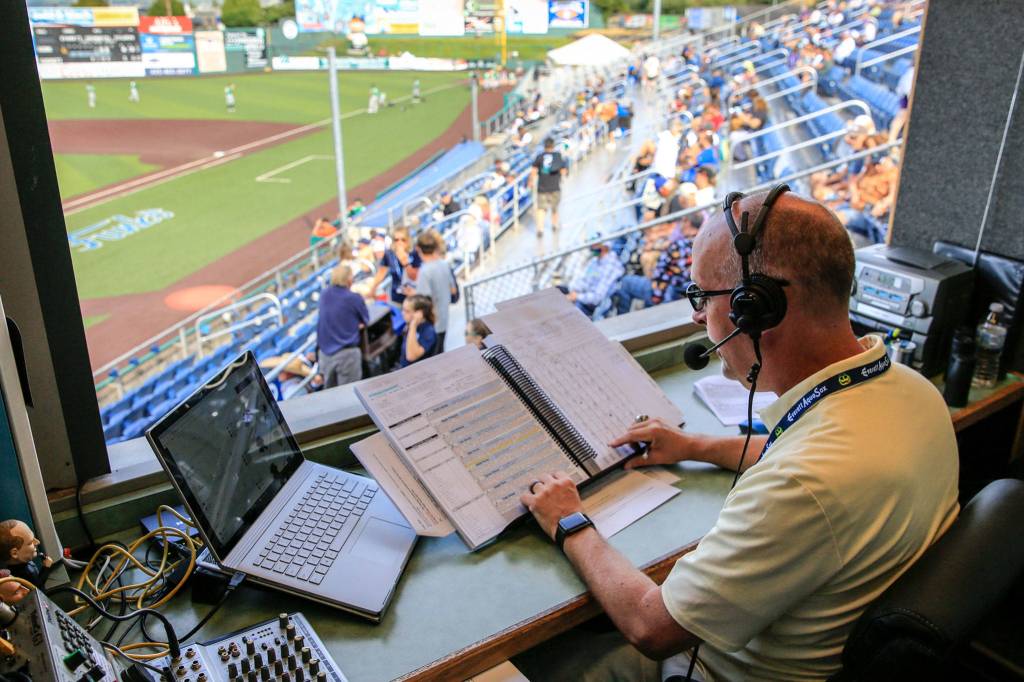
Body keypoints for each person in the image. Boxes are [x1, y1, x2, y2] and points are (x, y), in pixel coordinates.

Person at [512, 189, 959, 682]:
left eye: (704, 296)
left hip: (713, 671)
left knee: (526, 661)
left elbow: (652, 626)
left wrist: (570, 521)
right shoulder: (911, 391)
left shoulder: (801, 486)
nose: (698, 318)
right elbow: (801, 453)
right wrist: (695, 446)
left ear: (759, 309)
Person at [316, 264, 368, 388]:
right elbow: (365, 320)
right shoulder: (354, 298)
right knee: (349, 397)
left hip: (325, 354)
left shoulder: (324, 294)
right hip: (347, 354)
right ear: (349, 280)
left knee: (330, 397)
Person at [411, 231, 450, 354]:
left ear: (418, 249)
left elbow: (424, 301)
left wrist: (412, 294)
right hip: (444, 319)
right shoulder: (444, 264)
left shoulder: (425, 271)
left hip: (433, 325)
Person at [565, 238, 624, 318]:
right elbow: (583, 280)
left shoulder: (611, 265)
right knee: (558, 290)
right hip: (582, 296)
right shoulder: (594, 261)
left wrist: (577, 296)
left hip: (589, 305)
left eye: (595, 244)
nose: (591, 247)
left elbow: (597, 298)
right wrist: (573, 292)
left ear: (604, 247)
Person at [369, 226, 420, 304]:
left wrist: (405, 261)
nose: (400, 242)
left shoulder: (414, 253)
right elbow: (381, 272)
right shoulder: (389, 253)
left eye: (403, 240)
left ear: (408, 240)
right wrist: (373, 289)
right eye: (396, 240)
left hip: (413, 296)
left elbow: (414, 277)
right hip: (396, 295)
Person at [530, 138, 568, 237]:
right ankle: (554, 225)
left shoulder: (539, 157)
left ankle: (540, 229)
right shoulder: (558, 156)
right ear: (553, 145)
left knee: (541, 209)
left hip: (542, 187)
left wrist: (531, 183)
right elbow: (563, 170)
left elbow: (533, 171)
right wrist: (563, 179)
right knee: (554, 208)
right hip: (555, 186)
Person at [0, 519, 55, 587]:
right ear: (14, 553)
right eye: (30, 542)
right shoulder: (21, 574)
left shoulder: (24, 565)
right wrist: (46, 568)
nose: (37, 542)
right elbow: (36, 587)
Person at [399, 295, 437, 367]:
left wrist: (413, 325)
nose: (402, 313)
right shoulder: (408, 325)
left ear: (419, 314)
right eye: (402, 309)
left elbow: (411, 356)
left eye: (407, 311)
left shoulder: (428, 332)